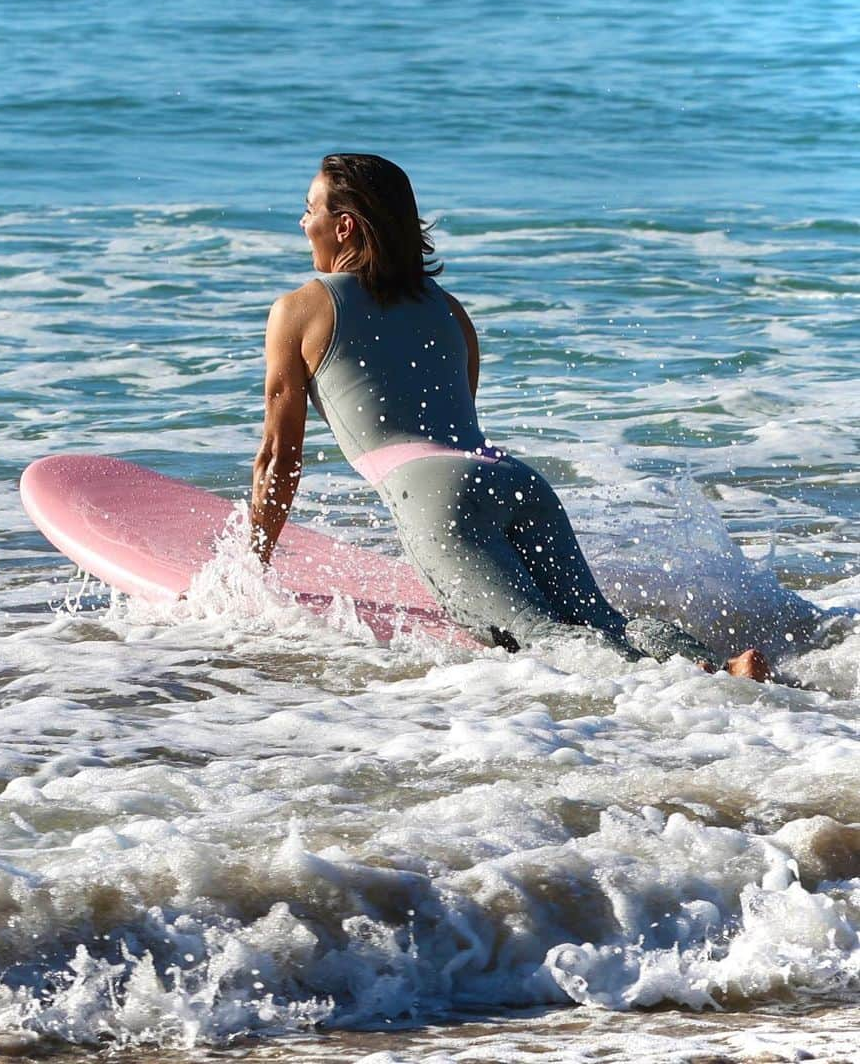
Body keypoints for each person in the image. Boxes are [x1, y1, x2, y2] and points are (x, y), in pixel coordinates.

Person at [250, 153, 770, 680]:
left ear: (343, 226)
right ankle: (723, 667)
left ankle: (713, 684)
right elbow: (456, 427)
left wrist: (252, 563)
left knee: (542, 640)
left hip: (437, 497)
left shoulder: (299, 309)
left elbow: (279, 459)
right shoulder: (450, 311)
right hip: (513, 480)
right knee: (602, 621)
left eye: (308, 208)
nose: (302, 222)